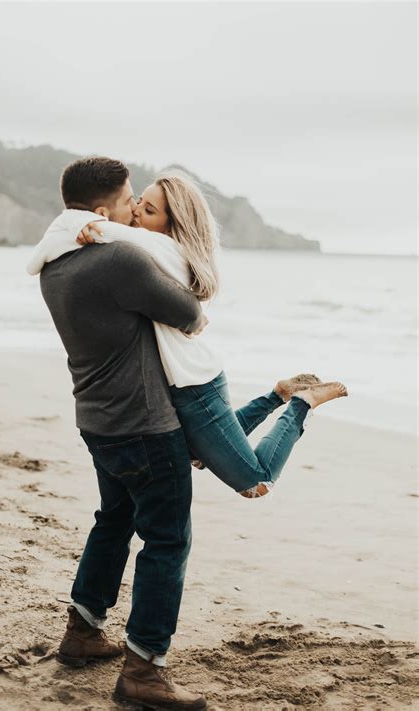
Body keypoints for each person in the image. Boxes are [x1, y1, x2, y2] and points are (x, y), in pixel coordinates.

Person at [29, 173, 348, 502]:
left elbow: (94, 235)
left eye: (149, 211)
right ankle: (277, 394)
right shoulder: (144, 248)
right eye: (139, 201)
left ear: (171, 225)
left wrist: (87, 227)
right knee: (197, 455)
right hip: (184, 384)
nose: (137, 211)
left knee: (257, 482)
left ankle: (302, 403)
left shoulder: (164, 249)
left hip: (196, 388)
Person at [36, 157, 208, 711]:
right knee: (167, 539)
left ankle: (83, 631)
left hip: (97, 419)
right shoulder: (119, 259)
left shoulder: (56, 264)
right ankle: (144, 671)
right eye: (131, 199)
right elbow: (189, 313)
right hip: (144, 425)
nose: (137, 208)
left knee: (114, 520)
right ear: (105, 209)